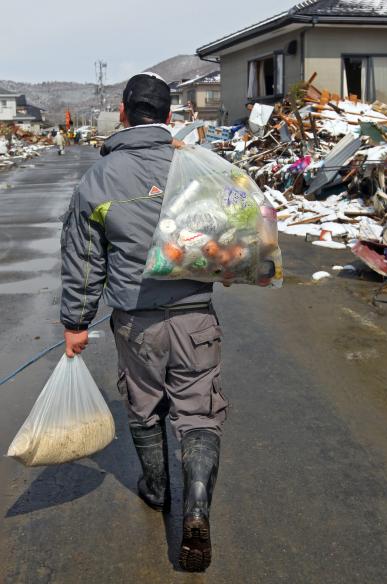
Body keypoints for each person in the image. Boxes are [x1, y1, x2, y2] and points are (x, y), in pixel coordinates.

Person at [60, 72, 228, 573]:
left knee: (144, 406)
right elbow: (231, 231)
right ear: (170, 116)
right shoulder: (195, 166)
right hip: (196, 314)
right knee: (199, 413)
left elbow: (84, 259)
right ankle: (196, 497)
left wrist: (76, 321)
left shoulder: (100, 178)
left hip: (136, 320)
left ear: (125, 114)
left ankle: (157, 489)